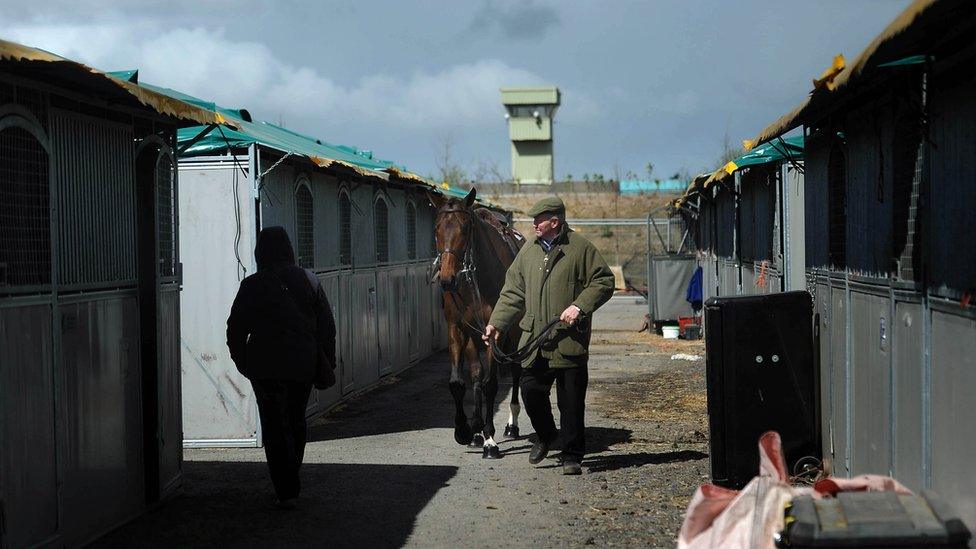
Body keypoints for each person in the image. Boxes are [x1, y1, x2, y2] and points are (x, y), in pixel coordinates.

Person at [483, 197, 615, 475]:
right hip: (536, 340)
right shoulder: (528, 251)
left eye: (539, 219)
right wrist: (497, 324)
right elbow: (513, 292)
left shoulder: (580, 249)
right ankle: (545, 435)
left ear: (555, 222)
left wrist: (579, 306)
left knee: (571, 402)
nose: (533, 224)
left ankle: (572, 456)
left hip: (569, 338)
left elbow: (603, 281)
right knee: (530, 391)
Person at [226, 226, 336, 508]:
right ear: (289, 249)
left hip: (264, 366)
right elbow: (326, 326)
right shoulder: (308, 280)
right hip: (301, 363)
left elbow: (235, 328)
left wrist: (244, 363)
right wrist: (325, 361)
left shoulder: (251, 285)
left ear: (259, 252)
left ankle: (285, 489)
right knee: (297, 419)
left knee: (274, 426)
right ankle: (292, 474)